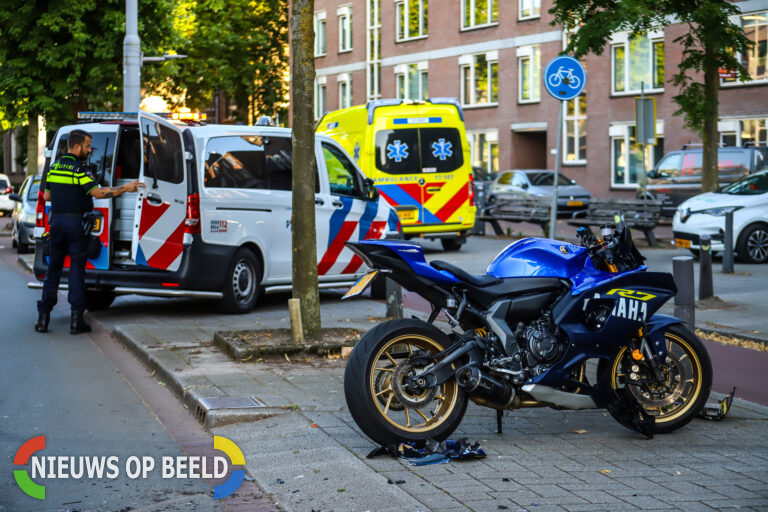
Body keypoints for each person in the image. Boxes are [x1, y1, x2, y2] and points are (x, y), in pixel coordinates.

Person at [35, 129, 145, 334]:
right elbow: (98, 192)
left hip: (56, 223)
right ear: (76, 147)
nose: (89, 150)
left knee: (53, 271)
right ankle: (77, 322)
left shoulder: (55, 167)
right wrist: (125, 188)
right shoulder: (79, 170)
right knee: (76, 270)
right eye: (87, 146)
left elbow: (48, 196)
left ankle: (43, 319)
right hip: (75, 224)